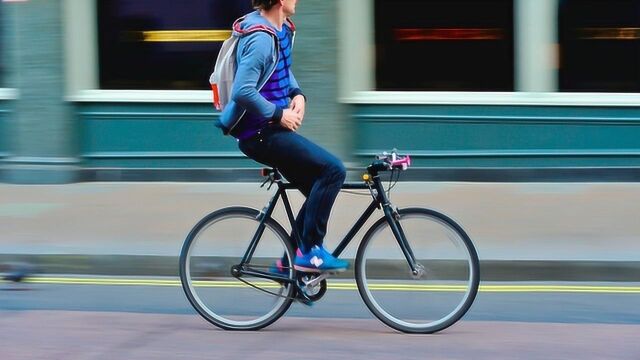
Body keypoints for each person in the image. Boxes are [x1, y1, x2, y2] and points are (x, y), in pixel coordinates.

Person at [217, 0, 348, 273]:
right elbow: (243, 90)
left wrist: (297, 93)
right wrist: (280, 114)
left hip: (270, 129)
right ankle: (309, 253)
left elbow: (281, 68)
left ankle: (288, 265)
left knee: (318, 188)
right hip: (259, 133)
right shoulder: (261, 39)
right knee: (333, 170)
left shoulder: (281, 29)